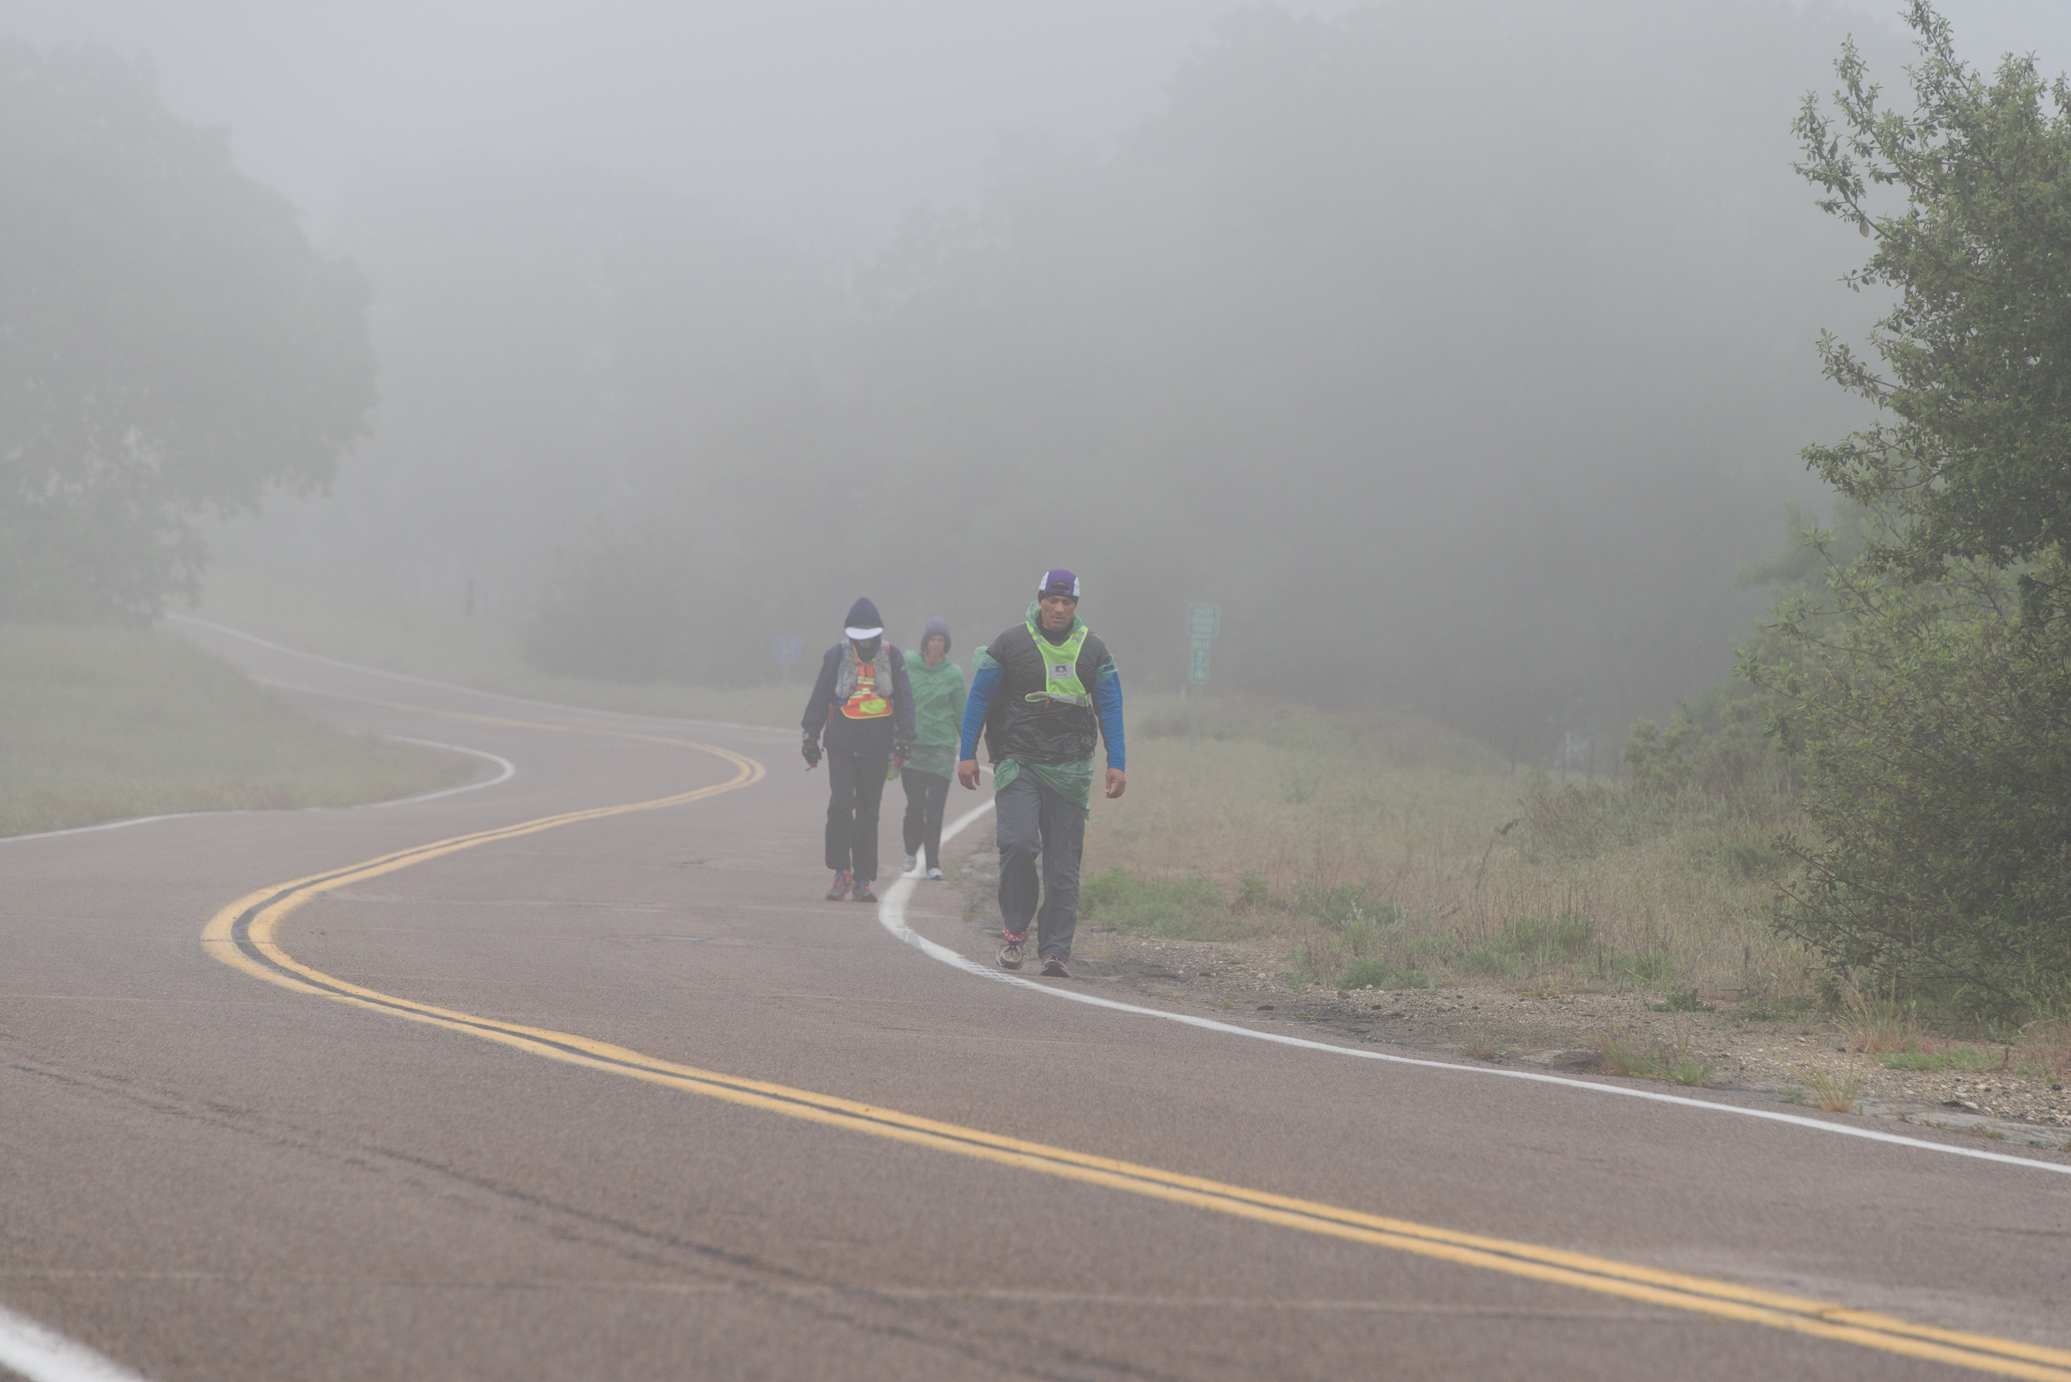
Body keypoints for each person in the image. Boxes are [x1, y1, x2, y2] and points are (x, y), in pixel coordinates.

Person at [956, 569, 1125, 977]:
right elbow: (979, 697)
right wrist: (967, 753)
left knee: (1063, 865)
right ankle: (1015, 930)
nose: (1059, 608)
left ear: (1075, 607)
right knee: (1016, 844)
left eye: (1067, 603)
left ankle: (1055, 951)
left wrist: (1116, 761)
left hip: (1070, 770)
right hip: (1019, 764)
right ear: (1040, 600)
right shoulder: (1010, 644)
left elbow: (1111, 707)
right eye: (1052, 600)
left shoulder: (1094, 651)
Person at [802, 597, 914, 904]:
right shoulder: (835, 656)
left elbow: (904, 699)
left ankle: (863, 879)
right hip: (840, 744)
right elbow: (820, 695)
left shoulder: (892, 657)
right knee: (840, 806)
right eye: (858, 634)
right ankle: (841, 872)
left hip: (877, 747)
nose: (863, 640)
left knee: (868, 812)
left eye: (869, 634)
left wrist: (905, 737)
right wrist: (810, 736)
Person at [899, 617, 966, 881]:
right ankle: (909, 850)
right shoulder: (908, 665)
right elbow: (898, 701)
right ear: (925, 643)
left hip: (942, 749)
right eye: (932, 639)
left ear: (946, 644)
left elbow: (961, 712)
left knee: (935, 809)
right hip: (913, 748)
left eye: (940, 640)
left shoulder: (953, 674)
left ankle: (933, 864)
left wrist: (969, 748)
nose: (936, 644)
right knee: (916, 806)